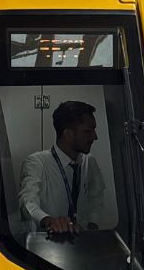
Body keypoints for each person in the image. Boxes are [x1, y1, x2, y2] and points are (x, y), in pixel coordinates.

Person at [18, 100, 108, 235]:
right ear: (68, 134)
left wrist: (92, 225)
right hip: (47, 243)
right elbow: (27, 203)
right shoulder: (36, 162)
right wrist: (49, 221)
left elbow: (96, 196)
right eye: (88, 131)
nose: (94, 137)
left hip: (83, 242)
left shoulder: (89, 161)